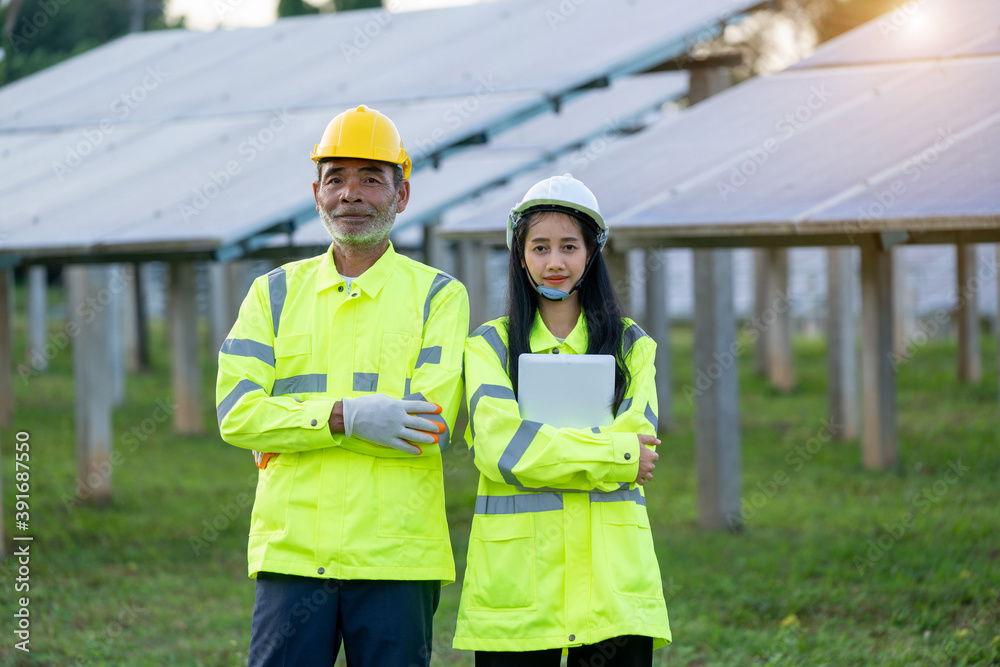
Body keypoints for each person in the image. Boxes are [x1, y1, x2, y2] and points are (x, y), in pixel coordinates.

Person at [216, 105, 469, 667]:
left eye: (371, 179)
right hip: (294, 553)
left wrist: (289, 423)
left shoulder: (439, 296)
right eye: (336, 179)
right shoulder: (272, 294)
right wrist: (344, 417)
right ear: (316, 193)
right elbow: (237, 414)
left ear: (402, 195)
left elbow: (428, 422)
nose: (351, 194)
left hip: (397, 557)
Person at [453, 174, 671, 665]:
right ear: (520, 255)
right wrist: (613, 454)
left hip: (612, 590)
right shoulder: (488, 346)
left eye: (569, 246)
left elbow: (642, 445)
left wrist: (548, 449)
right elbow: (501, 450)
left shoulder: (633, 345)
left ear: (591, 254)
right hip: (519, 593)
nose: (555, 262)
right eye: (540, 247)